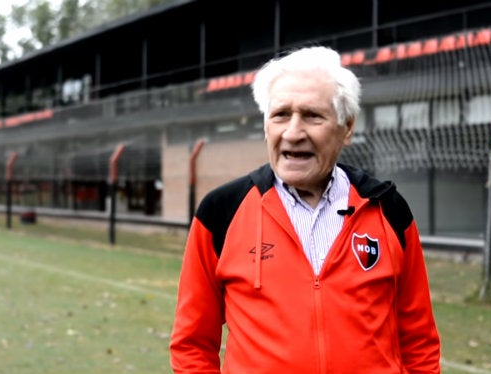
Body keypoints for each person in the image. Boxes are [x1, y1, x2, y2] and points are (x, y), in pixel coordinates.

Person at [170, 46, 441, 373]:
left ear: (347, 127)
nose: (294, 133)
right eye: (281, 114)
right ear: (266, 125)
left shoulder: (388, 210)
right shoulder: (221, 212)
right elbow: (192, 343)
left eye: (313, 115)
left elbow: (419, 341)